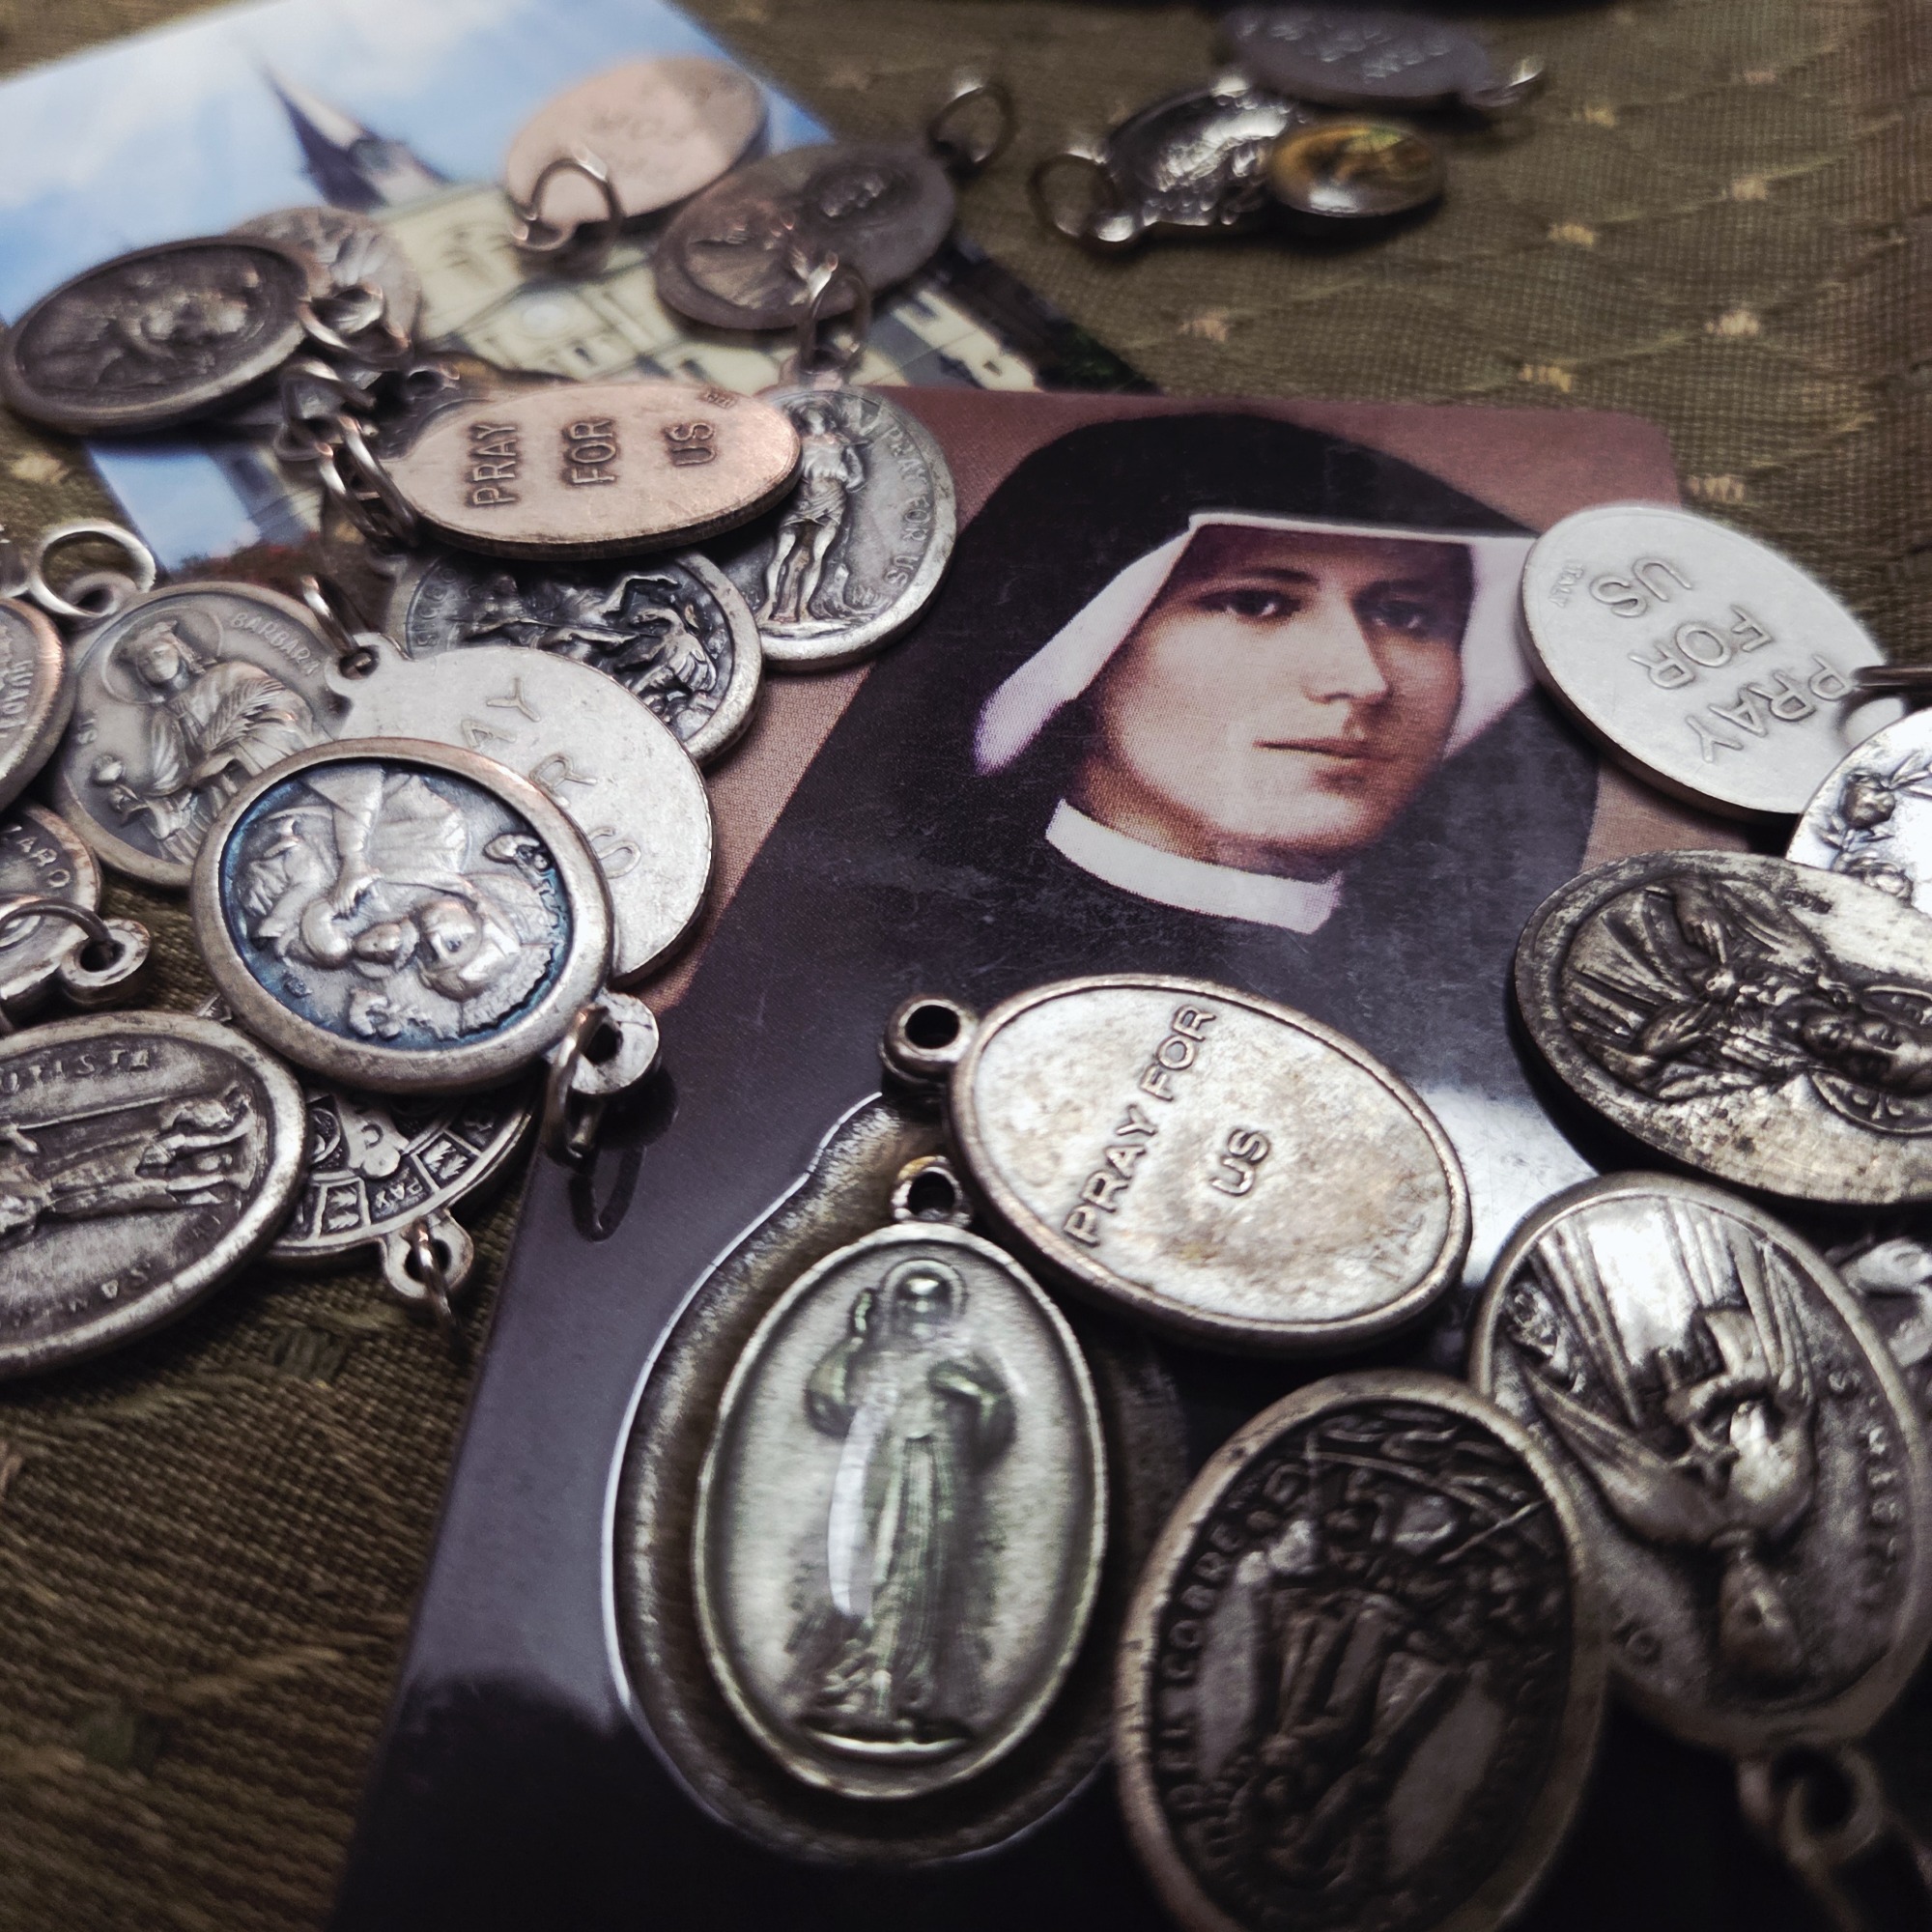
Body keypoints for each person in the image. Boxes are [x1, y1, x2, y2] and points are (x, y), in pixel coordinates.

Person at [696, 412, 1605, 1272]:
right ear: (1085, 646)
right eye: (1257, 603)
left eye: (1407, 616)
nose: (1362, 678)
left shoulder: (1491, 1015)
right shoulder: (856, 981)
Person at [791, 1257, 1012, 1752]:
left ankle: (910, 1702)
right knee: (876, 1582)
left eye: (931, 1302)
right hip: (881, 1490)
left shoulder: (965, 1365)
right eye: (910, 1301)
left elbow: (991, 1441)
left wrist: (985, 1396)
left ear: (948, 1309)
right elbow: (830, 1409)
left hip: (940, 1495)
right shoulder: (881, 1361)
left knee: (926, 1591)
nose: (919, 1313)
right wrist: (854, 1341)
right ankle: (858, 1696)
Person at [92, 617, 316, 863]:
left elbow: (288, 707)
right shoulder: (162, 719)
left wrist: (232, 754)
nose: (154, 662)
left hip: (262, 764)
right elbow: (172, 778)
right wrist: (147, 805)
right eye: (144, 662)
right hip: (219, 794)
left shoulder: (229, 674)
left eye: (159, 652)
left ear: (180, 650)